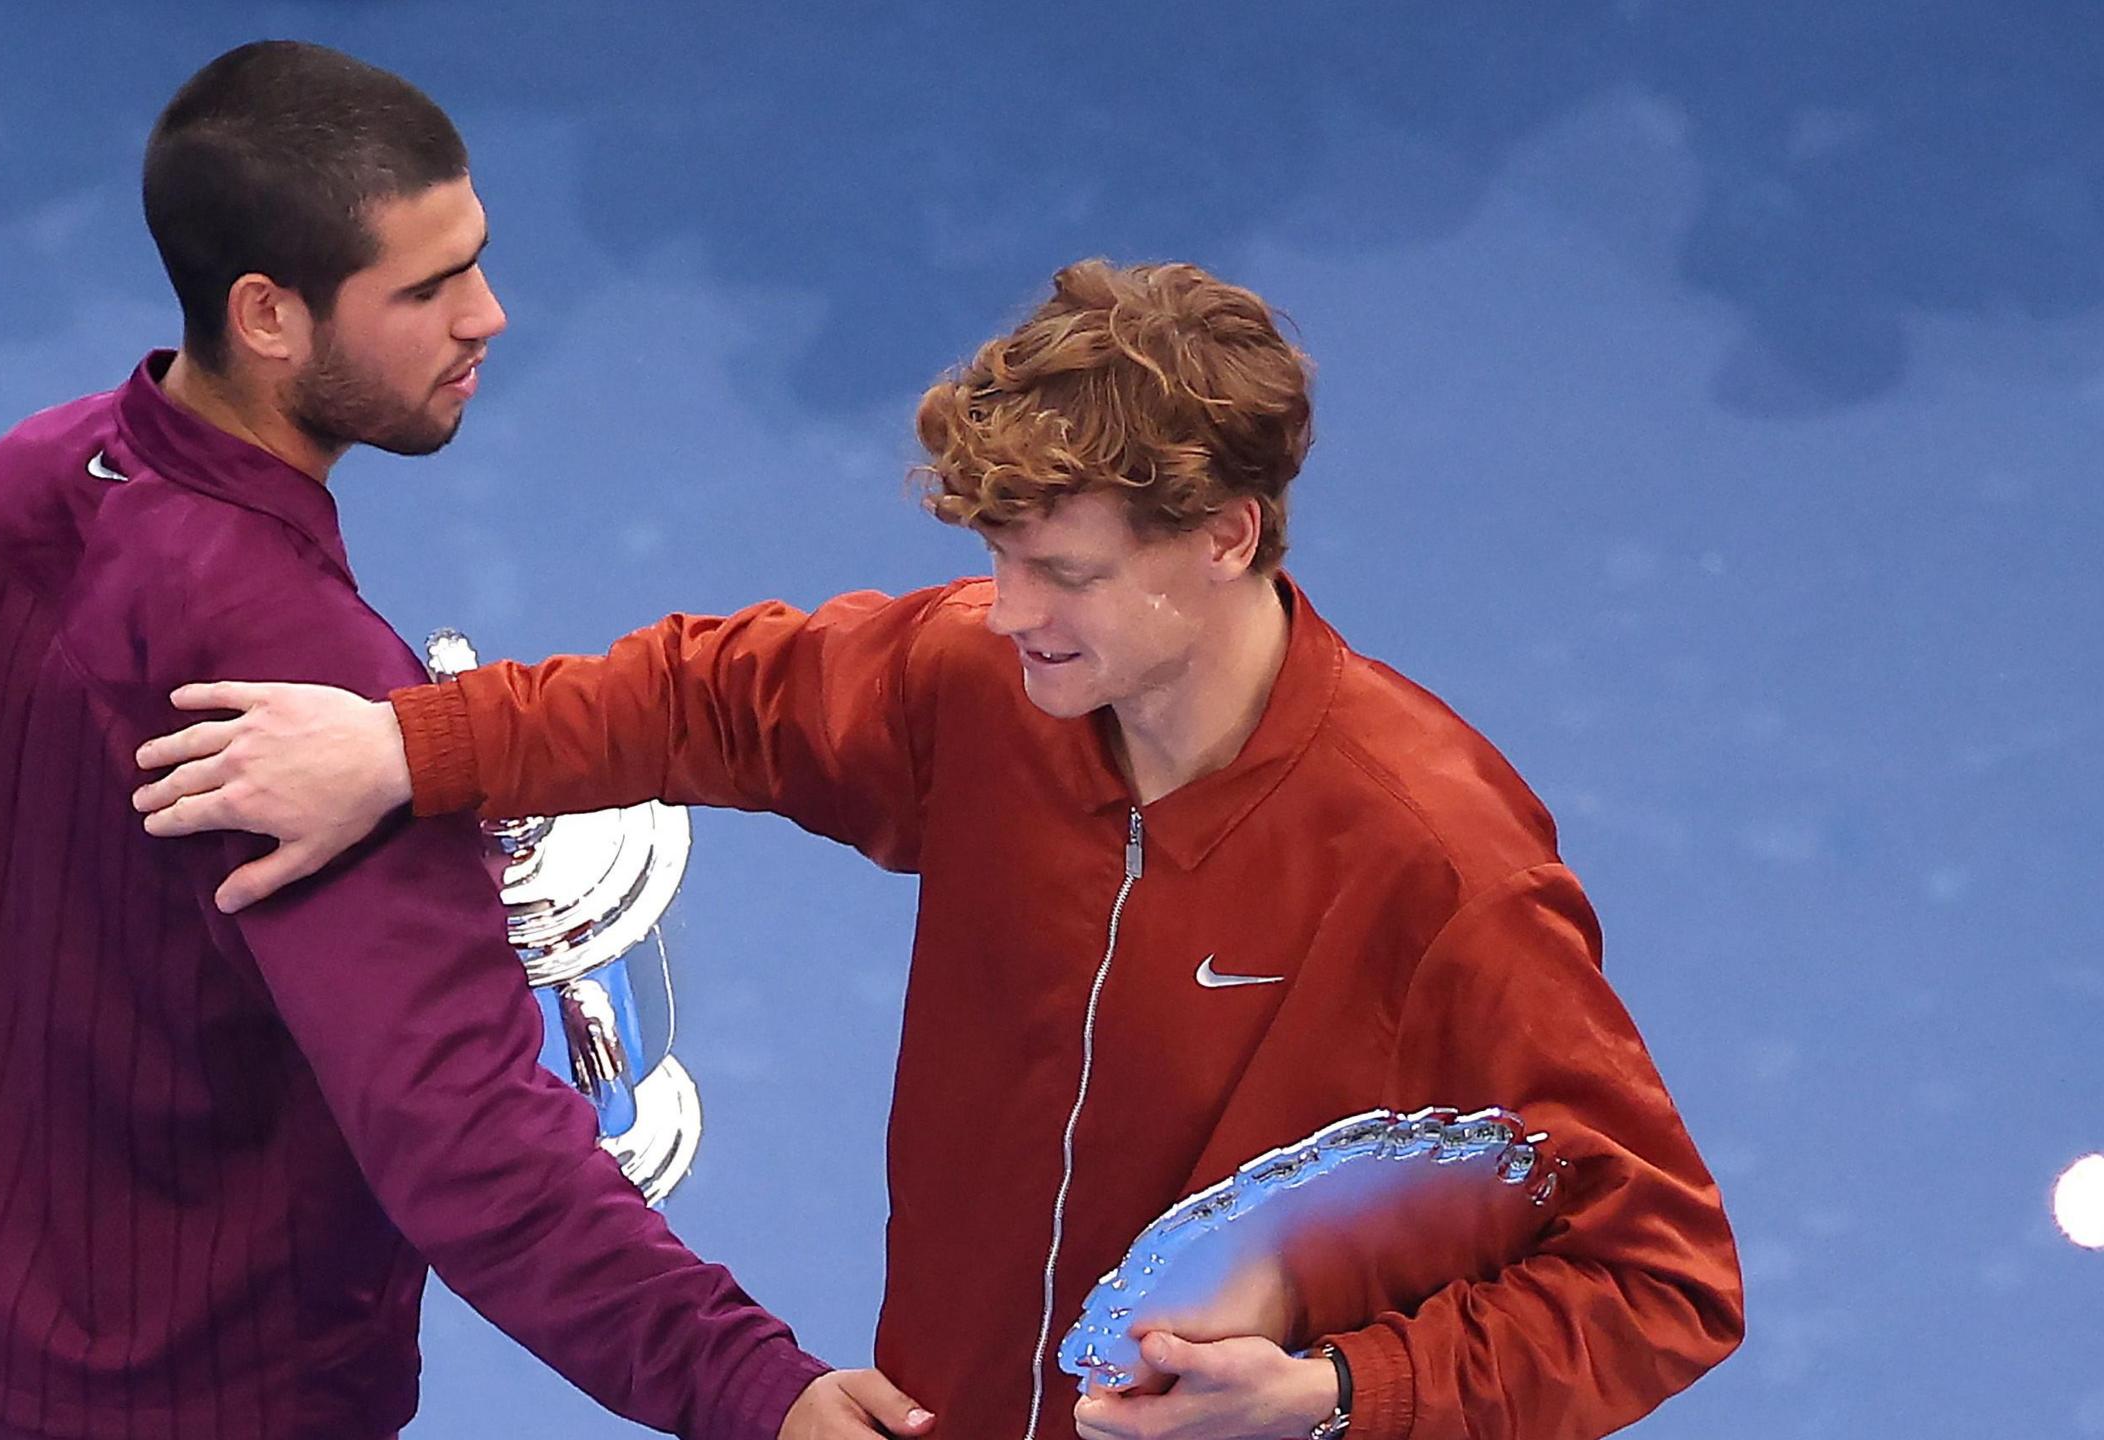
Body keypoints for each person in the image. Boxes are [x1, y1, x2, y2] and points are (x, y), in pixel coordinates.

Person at [131, 259, 1747, 1440]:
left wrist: (1337, 1395)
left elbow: (1663, 1278)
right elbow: (710, 697)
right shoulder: (995, 685)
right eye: (995, 558)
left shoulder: (1432, 856)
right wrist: (409, 747)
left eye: (1065, 571)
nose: (1012, 609)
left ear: (1228, 535)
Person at [0, 40, 927, 1440]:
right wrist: (750, 1386)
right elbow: (467, 1136)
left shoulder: (7, 490)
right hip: (200, 1401)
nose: (487, 316)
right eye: (425, 291)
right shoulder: (306, 702)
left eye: (472, 262)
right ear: (269, 316)